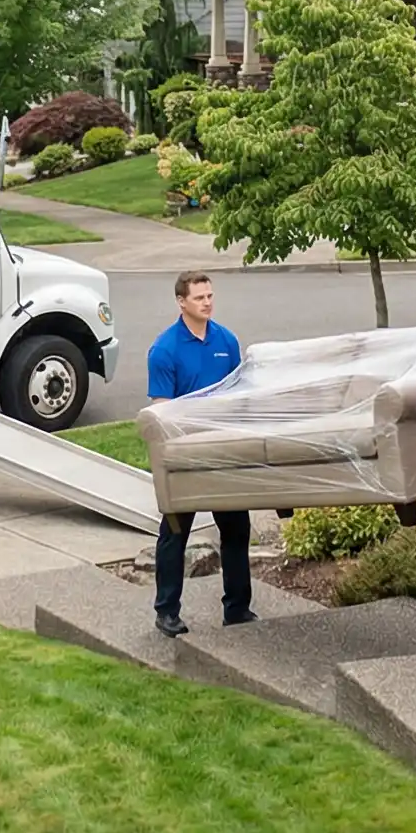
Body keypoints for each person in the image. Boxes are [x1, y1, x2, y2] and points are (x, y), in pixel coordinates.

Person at [143, 270, 253, 637]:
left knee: (237, 530)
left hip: (222, 451)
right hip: (185, 456)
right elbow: (160, 412)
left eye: (210, 295)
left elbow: (239, 393)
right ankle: (167, 611)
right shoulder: (165, 349)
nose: (207, 302)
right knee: (175, 534)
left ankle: (237, 610)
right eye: (199, 297)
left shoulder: (227, 340)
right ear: (181, 302)